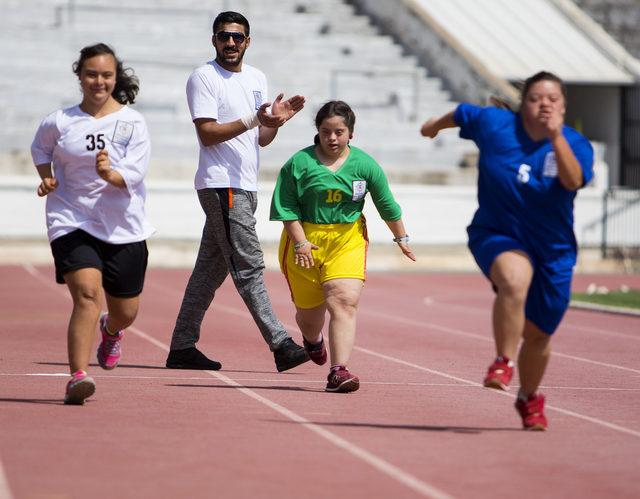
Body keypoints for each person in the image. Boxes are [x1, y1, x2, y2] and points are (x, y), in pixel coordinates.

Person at [420, 71, 594, 430]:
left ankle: (529, 397)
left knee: (539, 335)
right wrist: (434, 126)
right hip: (497, 233)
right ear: (522, 104)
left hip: (553, 250)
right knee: (515, 280)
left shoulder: (575, 143)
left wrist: (556, 135)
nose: (544, 104)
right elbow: (462, 114)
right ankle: (503, 359)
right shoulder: (496, 124)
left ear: (563, 106)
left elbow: (574, 181)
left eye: (552, 99)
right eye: (535, 98)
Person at [165, 11, 310, 372]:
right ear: (213, 40)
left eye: (237, 37)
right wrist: (254, 119)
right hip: (221, 183)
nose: (231, 42)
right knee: (248, 265)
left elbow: (260, 138)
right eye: (223, 36)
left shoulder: (258, 77)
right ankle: (280, 343)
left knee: (209, 272)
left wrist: (274, 123)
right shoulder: (204, 77)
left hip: (244, 185)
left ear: (248, 41)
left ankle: (182, 347)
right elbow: (208, 133)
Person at [31, 43, 154, 405]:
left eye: (106, 75)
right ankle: (77, 377)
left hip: (123, 225)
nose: (98, 82)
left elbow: (135, 173)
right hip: (71, 218)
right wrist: (48, 177)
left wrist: (110, 173)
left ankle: (111, 329)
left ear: (115, 78)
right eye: (91, 74)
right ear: (79, 76)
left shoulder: (133, 122)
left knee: (125, 312)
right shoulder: (59, 121)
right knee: (86, 295)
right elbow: (40, 150)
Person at [270, 100, 416, 393]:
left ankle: (339, 371)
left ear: (351, 134)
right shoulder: (299, 164)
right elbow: (286, 208)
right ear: (318, 132)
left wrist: (401, 238)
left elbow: (386, 203)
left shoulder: (364, 165)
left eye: (339, 131)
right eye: (326, 132)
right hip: (304, 241)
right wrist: (300, 243)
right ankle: (312, 340)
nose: (332, 138)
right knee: (310, 317)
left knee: (343, 301)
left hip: (347, 239)